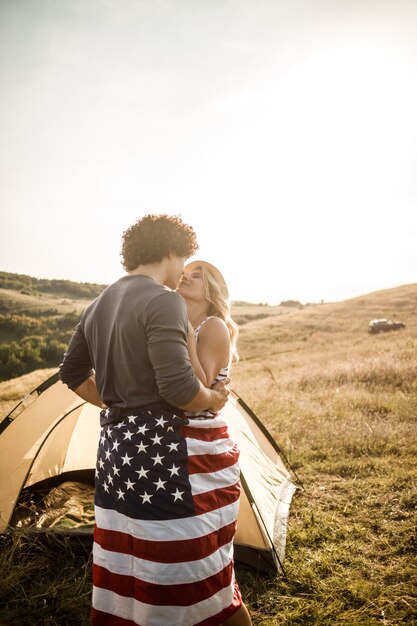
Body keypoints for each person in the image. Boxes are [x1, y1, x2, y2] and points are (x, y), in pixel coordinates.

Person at [58, 215, 246, 626]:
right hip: (164, 455)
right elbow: (180, 389)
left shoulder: (98, 303)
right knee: (186, 578)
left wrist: (117, 406)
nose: (183, 271)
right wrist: (214, 396)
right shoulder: (164, 300)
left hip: (115, 456)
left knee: (131, 572)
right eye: (185, 259)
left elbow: (71, 373)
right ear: (170, 251)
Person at [177, 260, 252, 626]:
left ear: (211, 291)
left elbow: (202, 386)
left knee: (210, 566)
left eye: (197, 274)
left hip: (204, 449)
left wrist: (185, 338)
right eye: (185, 271)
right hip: (177, 445)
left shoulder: (213, 326)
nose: (186, 275)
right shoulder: (181, 323)